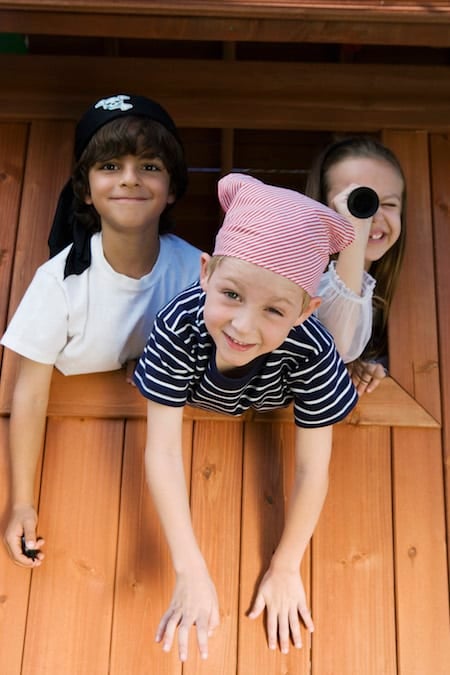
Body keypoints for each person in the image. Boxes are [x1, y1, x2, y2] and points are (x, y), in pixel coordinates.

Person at [133, 173, 359, 661]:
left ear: (306, 311)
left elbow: (312, 467)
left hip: (269, 401)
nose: (243, 325)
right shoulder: (177, 324)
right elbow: (164, 450)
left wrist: (286, 565)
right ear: (206, 272)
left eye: (274, 311)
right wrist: (189, 568)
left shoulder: (314, 350)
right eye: (231, 294)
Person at [1, 93, 201, 567]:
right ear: (85, 190)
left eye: (149, 166)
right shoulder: (61, 280)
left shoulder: (197, 270)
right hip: (80, 480)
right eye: (110, 166)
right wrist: (22, 502)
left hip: (180, 473)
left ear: (171, 187)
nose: (129, 179)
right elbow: (29, 393)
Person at [306, 136, 406, 394]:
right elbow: (335, 347)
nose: (373, 215)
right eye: (360, 201)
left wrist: (375, 368)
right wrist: (353, 234)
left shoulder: (404, 297)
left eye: (389, 204)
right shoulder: (303, 283)